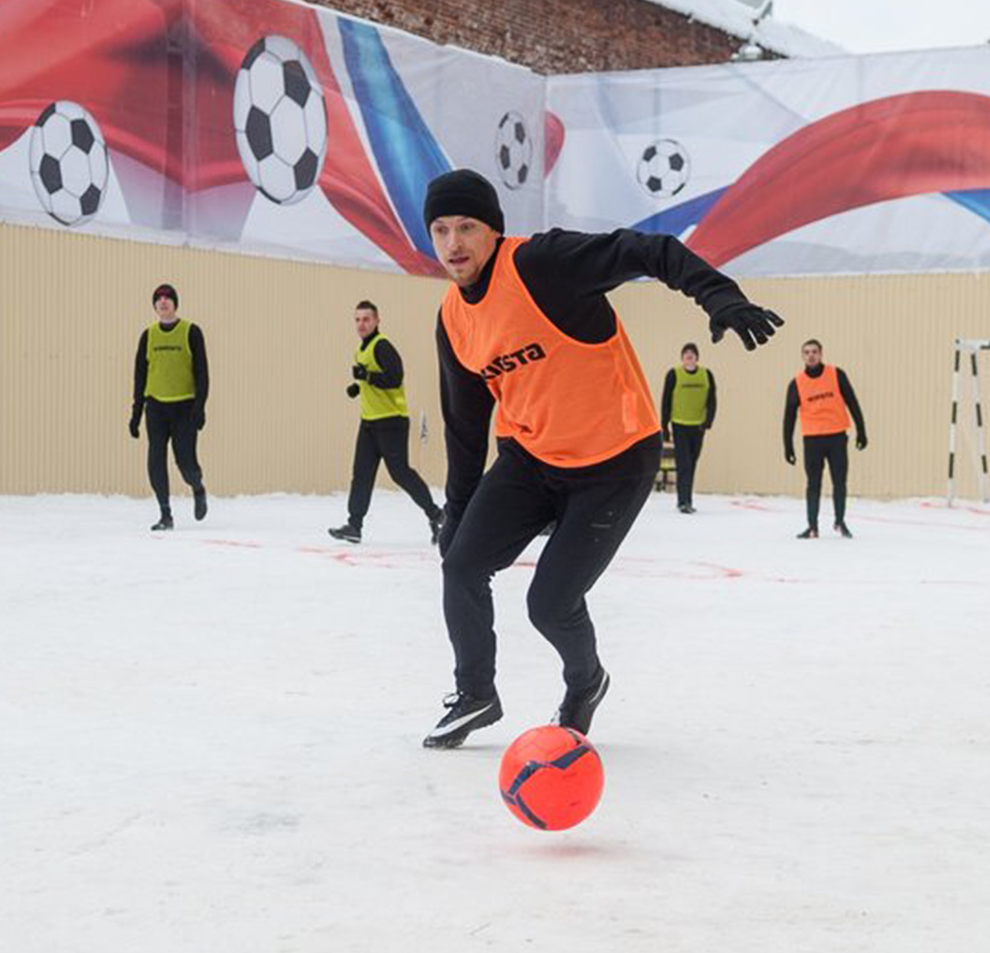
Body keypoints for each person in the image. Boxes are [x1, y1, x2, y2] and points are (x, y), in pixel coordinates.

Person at [424, 168, 784, 748]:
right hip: (531, 457)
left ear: (494, 230)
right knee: (461, 565)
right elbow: (465, 427)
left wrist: (718, 295)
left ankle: (585, 682)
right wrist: (458, 511)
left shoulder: (543, 264)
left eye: (467, 227)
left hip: (614, 460)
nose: (454, 244)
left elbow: (650, 249)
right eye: (441, 230)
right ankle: (475, 695)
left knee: (550, 602)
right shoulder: (452, 320)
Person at [328, 300, 443, 545]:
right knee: (361, 474)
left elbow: (394, 377)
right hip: (369, 423)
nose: (361, 324)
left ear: (377, 321)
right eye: (357, 319)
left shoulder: (382, 346)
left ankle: (436, 515)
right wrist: (357, 387)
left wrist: (367, 376)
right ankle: (354, 525)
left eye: (366, 319)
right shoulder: (361, 350)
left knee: (400, 473)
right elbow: (372, 380)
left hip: (391, 422)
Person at [129, 283, 208, 530]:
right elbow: (140, 375)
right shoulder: (148, 335)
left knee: (185, 463)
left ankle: (197, 487)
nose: (163, 302)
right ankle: (165, 514)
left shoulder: (191, 331)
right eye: (159, 298)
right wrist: (136, 413)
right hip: (156, 408)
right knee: (155, 460)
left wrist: (200, 407)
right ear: (154, 305)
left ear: (175, 303)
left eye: (167, 298)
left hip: (184, 407)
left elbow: (202, 373)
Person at [781, 339, 868, 539]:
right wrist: (787, 446)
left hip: (836, 437)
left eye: (814, 352)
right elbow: (789, 417)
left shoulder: (836, 375)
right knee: (813, 483)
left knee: (840, 481)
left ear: (821, 354)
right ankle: (812, 526)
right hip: (812, 440)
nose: (811, 355)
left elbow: (852, 402)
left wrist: (861, 430)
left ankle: (840, 521)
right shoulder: (797, 383)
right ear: (802, 356)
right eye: (807, 352)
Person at [660, 343, 716, 514]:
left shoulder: (706, 375)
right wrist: (665, 426)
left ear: (697, 358)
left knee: (692, 463)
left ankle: (687, 499)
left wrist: (708, 421)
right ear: (682, 358)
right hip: (679, 424)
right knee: (683, 463)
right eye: (686, 355)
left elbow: (712, 399)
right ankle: (683, 501)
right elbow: (666, 401)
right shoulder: (674, 374)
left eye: (692, 355)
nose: (689, 357)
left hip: (698, 425)